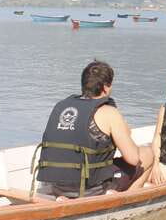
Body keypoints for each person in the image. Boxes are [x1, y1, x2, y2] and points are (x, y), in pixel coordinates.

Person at [35, 60, 154, 199]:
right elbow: (133, 159)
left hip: (50, 185)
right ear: (105, 88)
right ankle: (129, 201)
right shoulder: (108, 112)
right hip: (87, 190)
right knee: (147, 154)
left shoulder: (61, 106)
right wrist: (127, 132)